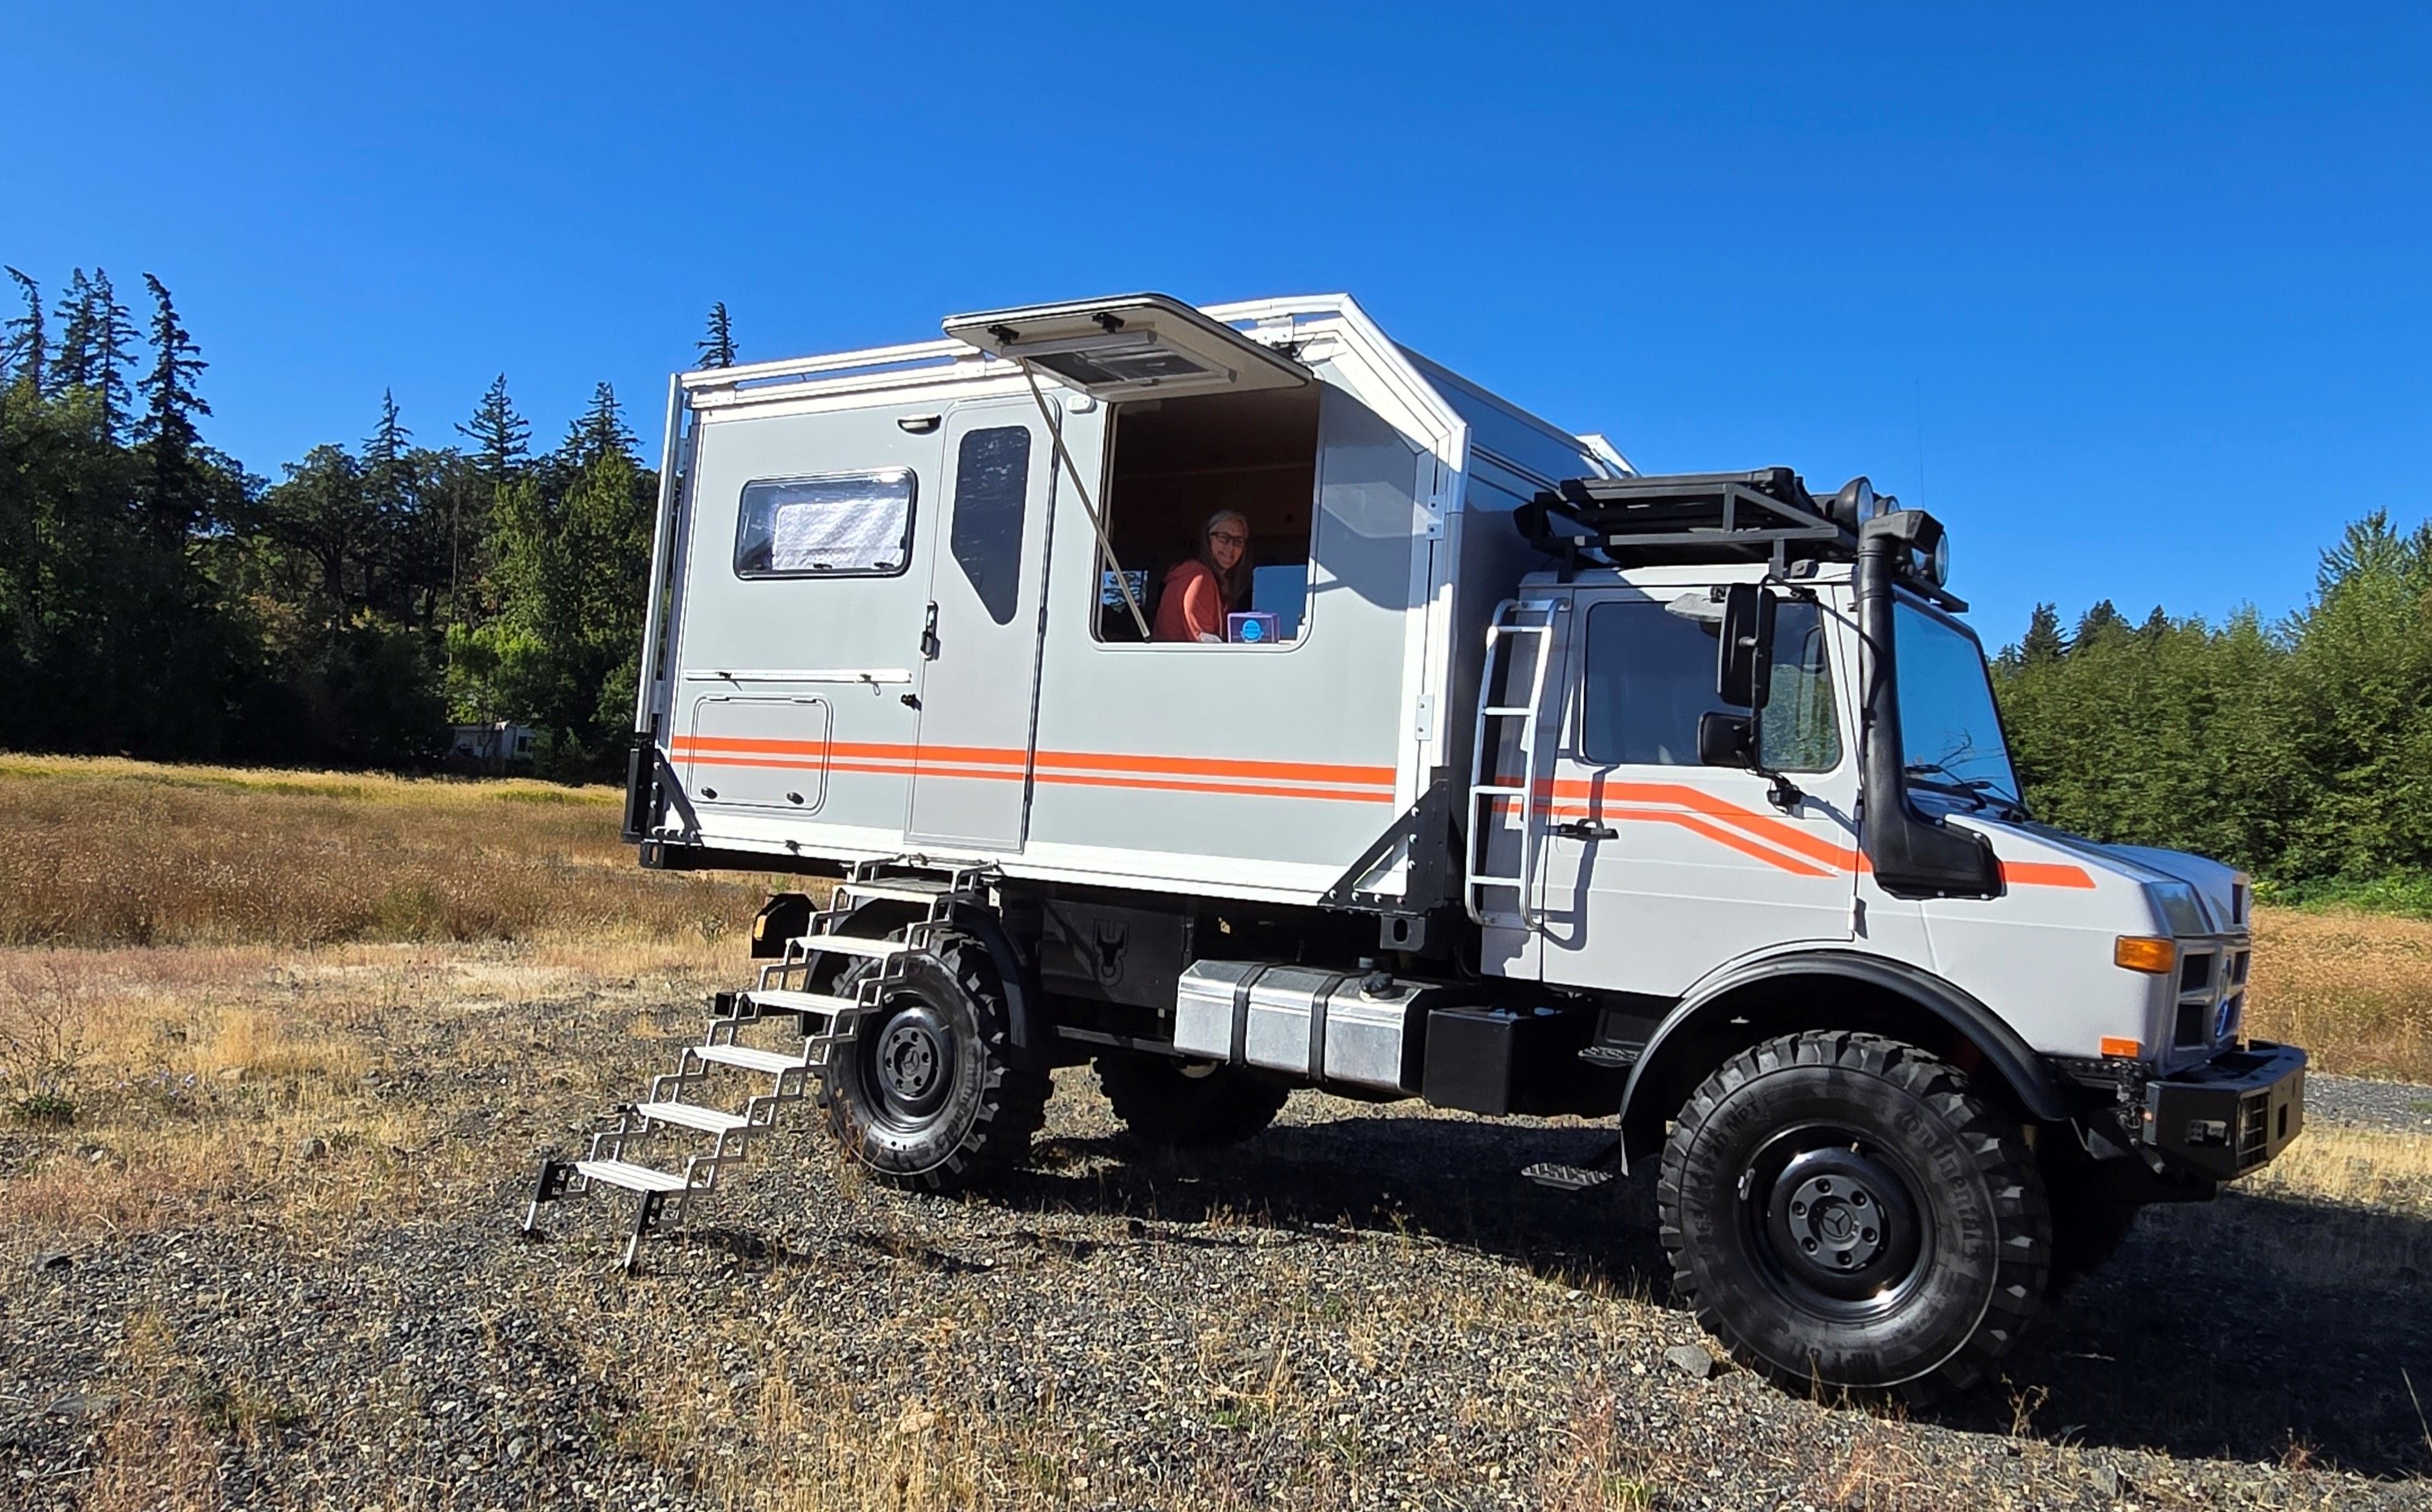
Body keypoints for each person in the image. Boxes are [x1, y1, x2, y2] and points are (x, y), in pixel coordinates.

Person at [1152, 509, 1252, 643]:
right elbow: (1205, 646)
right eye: (1223, 538)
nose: (1230, 547)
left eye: (1238, 541)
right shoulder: (1200, 579)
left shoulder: (1215, 582)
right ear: (1207, 540)